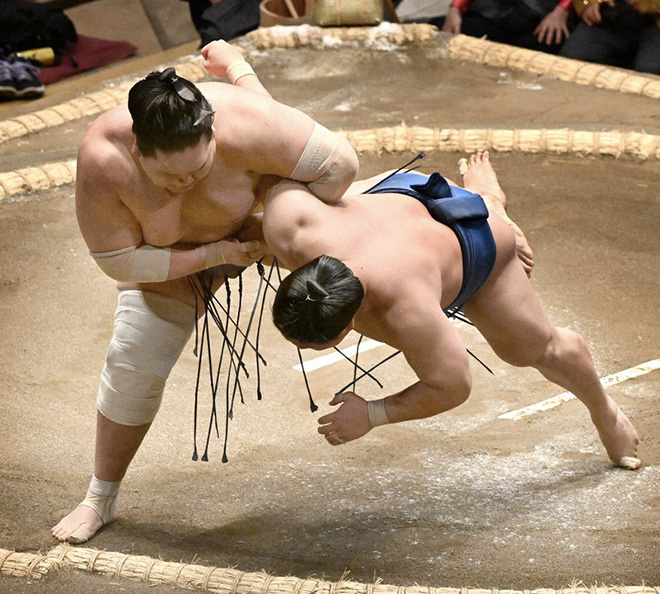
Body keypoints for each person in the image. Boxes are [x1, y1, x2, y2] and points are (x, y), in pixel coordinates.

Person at [50, 40, 359, 545]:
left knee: (366, 264)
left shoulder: (244, 121)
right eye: (171, 176)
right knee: (132, 363)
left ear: (213, 133)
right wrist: (212, 254)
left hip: (258, 230)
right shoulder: (104, 159)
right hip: (172, 263)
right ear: (138, 152)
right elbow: (117, 260)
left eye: (200, 166)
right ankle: (99, 498)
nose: (188, 182)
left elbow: (340, 167)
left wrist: (276, 217)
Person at [262, 152, 640, 470]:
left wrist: (372, 414)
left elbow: (452, 385)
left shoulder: (406, 311)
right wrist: (231, 250)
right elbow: (273, 160)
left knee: (533, 349)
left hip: (473, 240)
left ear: (349, 325)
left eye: (311, 343)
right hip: (398, 194)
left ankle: (606, 412)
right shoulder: (288, 222)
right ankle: (475, 200)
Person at [559, 0, 660, 75]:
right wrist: (588, 3)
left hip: (655, 24)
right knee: (571, 62)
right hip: (607, 16)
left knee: (650, 71)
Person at [441, 0, 575, 54]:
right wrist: (455, 7)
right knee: (464, 32)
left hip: (548, 15)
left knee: (533, 47)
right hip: (497, 10)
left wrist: (562, 10)